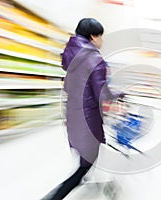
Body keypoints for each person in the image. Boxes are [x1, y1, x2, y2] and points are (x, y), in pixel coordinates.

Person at [44, 18, 123, 200]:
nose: (102, 41)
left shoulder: (72, 58)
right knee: (84, 167)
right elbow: (101, 92)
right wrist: (118, 96)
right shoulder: (94, 58)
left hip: (73, 117)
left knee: (86, 161)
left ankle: (88, 182)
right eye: (101, 37)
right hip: (88, 121)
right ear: (93, 37)